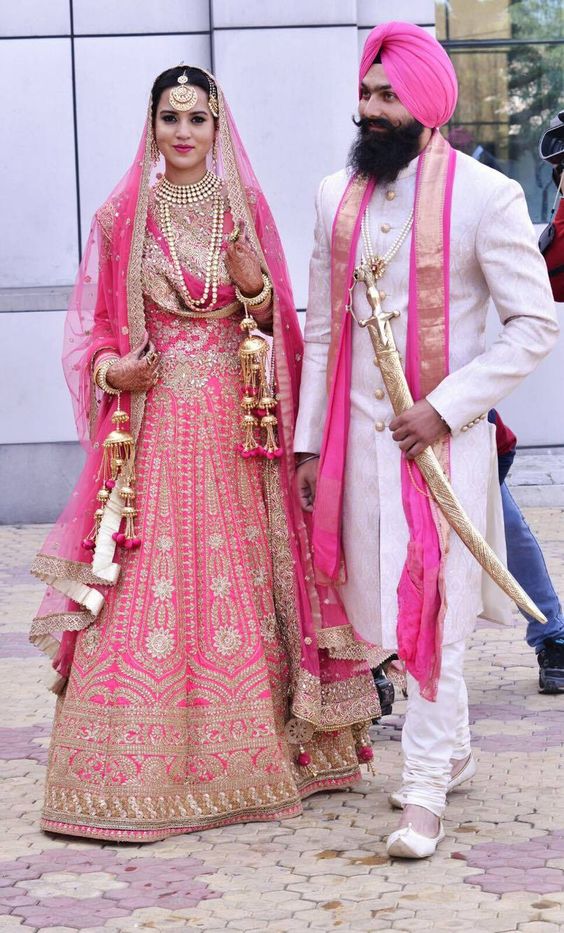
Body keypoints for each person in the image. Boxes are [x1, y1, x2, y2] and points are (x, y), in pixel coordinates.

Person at [29, 66, 382, 842]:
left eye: (197, 118)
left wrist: (255, 291)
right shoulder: (123, 216)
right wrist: (113, 372)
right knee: (149, 574)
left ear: (217, 127)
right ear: (151, 126)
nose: (183, 131)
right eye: (170, 117)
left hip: (240, 424)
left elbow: (280, 325)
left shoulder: (243, 207)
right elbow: (92, 333)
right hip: (157, 424)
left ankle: (259, 759)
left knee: (244, 575)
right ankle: (131, 772)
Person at [294, 22, 559, 858]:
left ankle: (423, 791)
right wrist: (308, 445)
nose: (369, 109)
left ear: (429, 104)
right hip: (356, 450)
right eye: (366, 94)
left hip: (444, 449)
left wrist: (446, 407)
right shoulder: (334, 195)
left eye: (388, 96)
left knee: (433, 611)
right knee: (384, 610)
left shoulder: (487, 196)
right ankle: (457, 747)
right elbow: (324, 332)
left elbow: (533, 324)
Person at [489, 410, 564, 693]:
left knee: (510, 530)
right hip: (384, 445)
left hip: (462, 440)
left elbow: (505, 448)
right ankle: (375, 660)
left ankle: (552, 636)